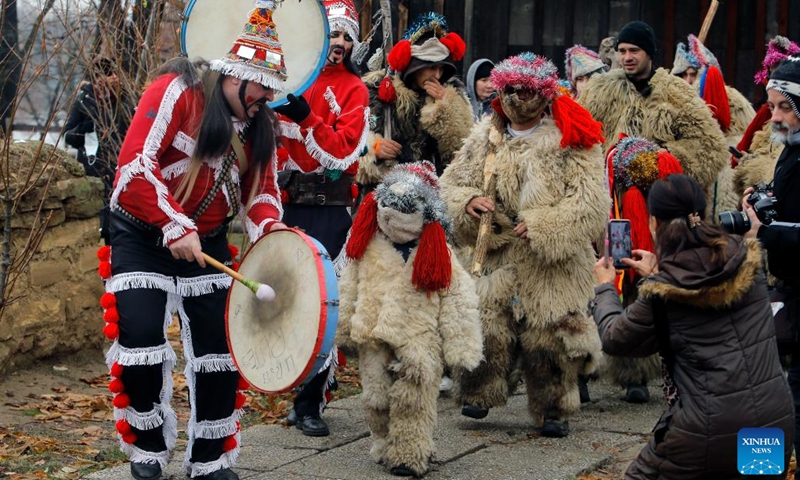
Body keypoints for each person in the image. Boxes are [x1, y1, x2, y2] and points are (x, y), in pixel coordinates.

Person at [99, 4, 288, 479]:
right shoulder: (176, 91)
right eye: (262, 84)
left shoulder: (261, 124)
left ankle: (209, 458)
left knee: (220, 350)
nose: (269, 95)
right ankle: (147, 448)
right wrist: (171, 223)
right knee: (139, 337)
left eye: (272, 87)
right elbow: (133, 170)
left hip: (207, 245)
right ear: (235, 74)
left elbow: (261, 194)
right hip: (142, 234)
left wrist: (272, 230)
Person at [440, 52, 608, 438]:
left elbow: (590, 202)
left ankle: (553, 408)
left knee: (547, 335)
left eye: (527, 91)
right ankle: (479, 392)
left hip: (552, 261)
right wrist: (467, 201)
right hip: (496, 251)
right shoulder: (486, 136)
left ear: (544, 93)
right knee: (488, 323)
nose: (517, 98)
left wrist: (544, 225)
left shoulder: (572, 137)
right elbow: (450, 183)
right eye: (510, 90)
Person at [591, 173, 794, 479]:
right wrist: (658, 273)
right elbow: (704, 278)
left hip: (706, 429)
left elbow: (616, 338)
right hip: (771, 421)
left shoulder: (661, 293)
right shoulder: (746, 259)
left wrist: (606, 288)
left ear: (654, 223)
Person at [580, 21, 729, 402]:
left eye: (635, 51)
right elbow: (579, 138)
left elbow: (710, 148)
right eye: (623, 51)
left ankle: (638, 372)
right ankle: (583, 364)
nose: (627, 58)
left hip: (656, 208)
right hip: (610, 203)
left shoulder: (677, 94)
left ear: (649, 54)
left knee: (648, 278)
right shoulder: (599, 92)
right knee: (607, 274)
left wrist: (658, 161)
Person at [337, 162, 483, 478]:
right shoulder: (366, 247)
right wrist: (344, 327)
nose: (391, 217)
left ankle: (409, 452)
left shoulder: (437, 251)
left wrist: (462, 343)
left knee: (414, 397)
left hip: (419, 336)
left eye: (403, 211)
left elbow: (459, 299)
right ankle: (382, 439)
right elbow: (348, 286)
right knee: (376, 401)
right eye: (386, 208)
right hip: (372, 333)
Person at [275, 0, 370, 438]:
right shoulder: (288, 79)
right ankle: (293, 390)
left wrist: (307, 117)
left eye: (348, 36)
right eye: (333, 34)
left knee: (323, 306)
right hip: (286, 205)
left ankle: (312, 401)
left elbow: (343, 150)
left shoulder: (355, 89)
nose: (340, 43)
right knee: (288, 302)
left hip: (330, 210)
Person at [743, 56, 800, 479]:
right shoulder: (789, 151)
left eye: (784, 108)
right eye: (771, 106)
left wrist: (767, 231)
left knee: (792, 394)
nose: (774, 117)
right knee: (776, 393)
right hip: (789, 285)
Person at [357, 12, 473, 188]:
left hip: (433, 196)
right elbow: (350, 140)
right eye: (431, 67)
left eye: (442, 68)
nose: (437, 75)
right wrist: (373, 149)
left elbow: (463, 151)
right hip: (384, 195)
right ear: (415, 65)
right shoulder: (375, 89)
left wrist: (446, 107)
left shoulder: (453, 93)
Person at [65, 56, 132, 244]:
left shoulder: (123, 101)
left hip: (120, 167)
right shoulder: (85, 100)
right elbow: (68, 136)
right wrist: (86, 127)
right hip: (93, 167)